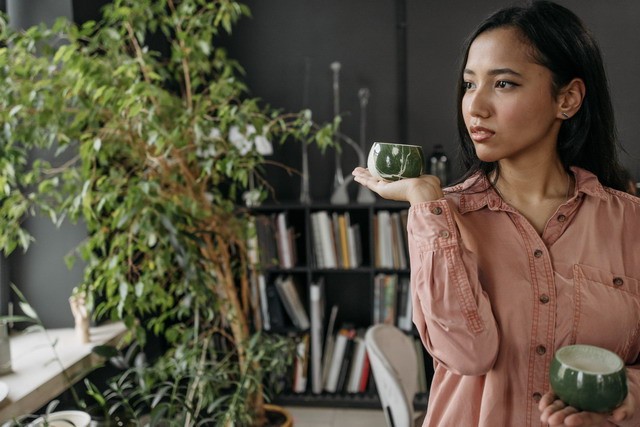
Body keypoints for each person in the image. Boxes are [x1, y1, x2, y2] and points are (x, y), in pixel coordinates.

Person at [353, 1, 640, 426]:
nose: (476, 107)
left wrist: (623, 400)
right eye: (470, 85)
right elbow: (468, 354)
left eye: (503, 84)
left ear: (568, 98)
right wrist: (426, 201)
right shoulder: (442, 219)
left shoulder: (630, 223)